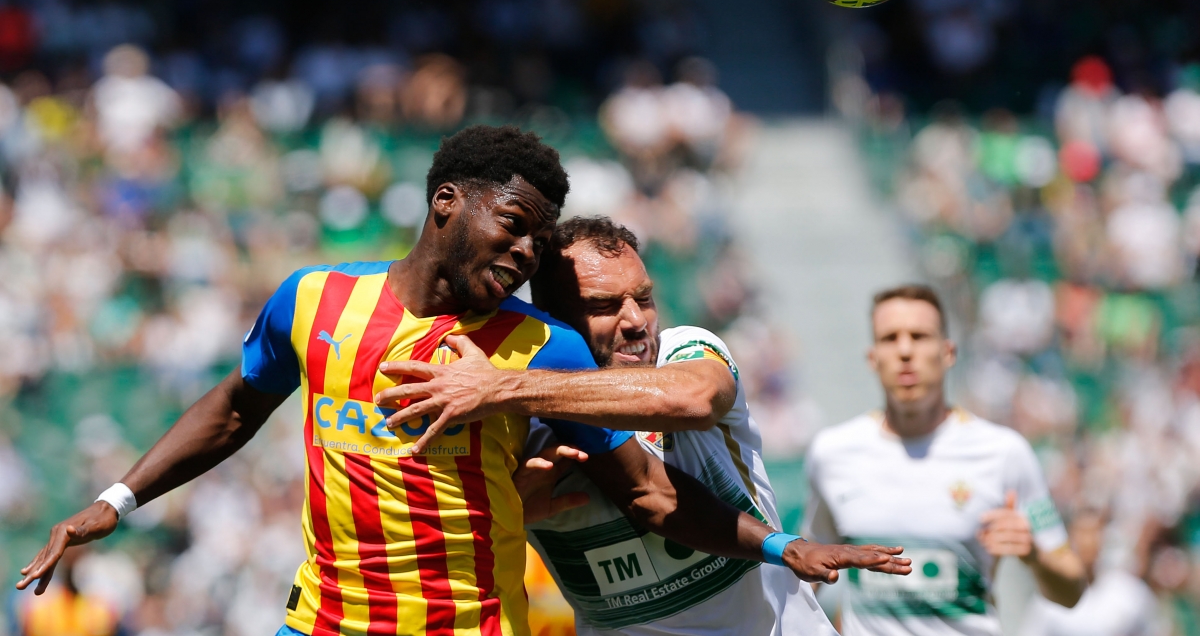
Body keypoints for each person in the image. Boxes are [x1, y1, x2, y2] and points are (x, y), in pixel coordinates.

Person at [16, 126, 890, 636]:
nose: (519, 253)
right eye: (512, 226)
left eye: (535, 246)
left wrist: (781, 547)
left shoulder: (542, 350)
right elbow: (238, 406)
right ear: (446, 203)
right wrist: (116, 500)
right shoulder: (313, 301)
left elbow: (653, 498)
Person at [375, 216, 912, 635]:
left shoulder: (689, 352)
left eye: (645, 298)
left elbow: (696, 399)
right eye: (606, 305)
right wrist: (509, 510)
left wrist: (504, 388)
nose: (637, 321)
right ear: (556, 322)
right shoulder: (518, 431)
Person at [803, 284, 1086, 636]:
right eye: (890, 338)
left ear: (948, 352)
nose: (905, 350)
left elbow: (1072, 591)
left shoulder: (1004, 453)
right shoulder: (832, 454)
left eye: (919, 336)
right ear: (872, 358)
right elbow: (808, 575)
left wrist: (1035, 555)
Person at [1020, 510, 1161, 636]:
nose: (1088, 542)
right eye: (1082, 533)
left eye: (1094, 533)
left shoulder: (1130, 593)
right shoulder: (1048, 601)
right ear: (1070, 538)